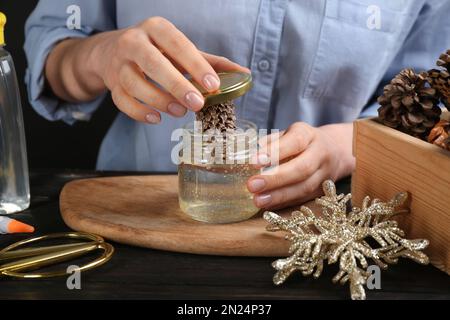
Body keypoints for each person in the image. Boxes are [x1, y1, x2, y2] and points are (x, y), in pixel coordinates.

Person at [24, 0, 449, 209]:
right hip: (144, 208)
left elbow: (431, 95)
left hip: (331, 216)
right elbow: (55, 44)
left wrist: (348, 144)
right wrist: (101, 55)